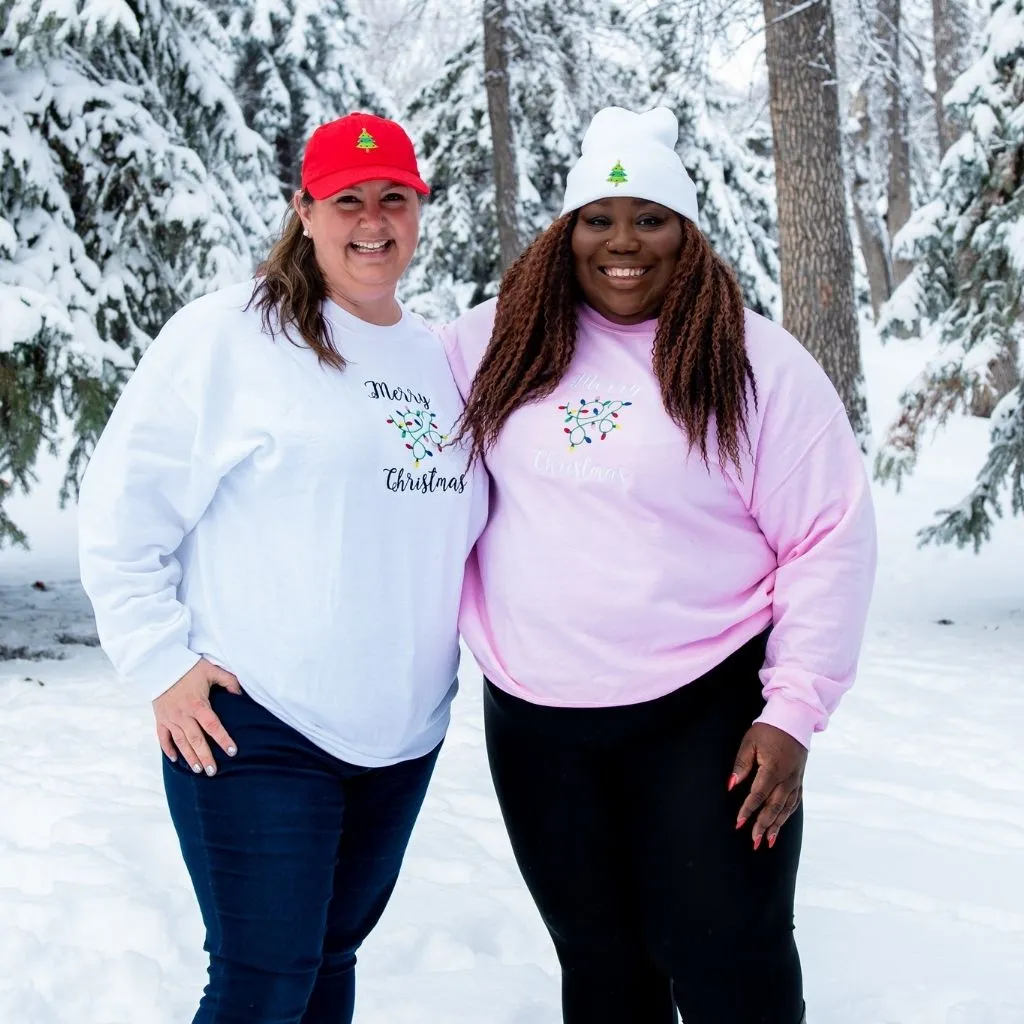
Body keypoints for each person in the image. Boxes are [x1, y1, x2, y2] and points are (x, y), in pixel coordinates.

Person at [440, 106, 877, 1024]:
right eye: (598, 218)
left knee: (728, 960)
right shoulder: (488, 346)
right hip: (538, 722)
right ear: (566, 235)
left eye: (651, 218)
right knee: (600, 966)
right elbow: (377, 437)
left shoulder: (757, 363)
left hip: (704, 712)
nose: (623, 243)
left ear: (688, 233)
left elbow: (827, 536)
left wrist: (793, 713)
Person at [78, 112, 487, 1024]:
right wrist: (159, 661)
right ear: (304, 211)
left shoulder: (441, 358)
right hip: (255, 721)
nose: (372, 220)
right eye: (347, 200)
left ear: (421, 209)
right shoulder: (230, 335)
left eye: (394, 199)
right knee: (264, 980)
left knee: (327, 960)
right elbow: (122, 511)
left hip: (399, 735)